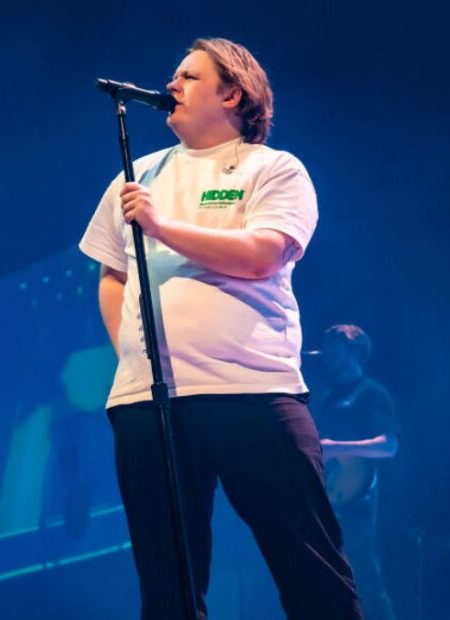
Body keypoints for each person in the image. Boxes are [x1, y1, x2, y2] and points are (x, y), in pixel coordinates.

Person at [79, 38, 362, 619]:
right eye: (174, 75)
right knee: (169, 584)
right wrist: (131, 355)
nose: (172, 84)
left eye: (189, 75)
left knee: (310, 567)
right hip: (148, 405)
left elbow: (263, 254)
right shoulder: (137, 175)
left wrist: (161, 225)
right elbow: (112, 276)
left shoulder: (273, 168)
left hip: (254, 393)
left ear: (231, 92)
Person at [315, 324, 399, 620]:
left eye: (334, 350)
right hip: (329, 495)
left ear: (353, 351)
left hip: (360, 498)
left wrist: (337, 447)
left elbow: (388, 446)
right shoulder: (324, 398)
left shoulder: (372, 393)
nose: (327, 356)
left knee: (364, 573)